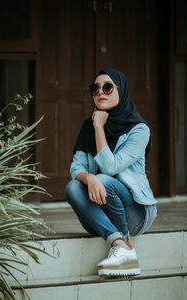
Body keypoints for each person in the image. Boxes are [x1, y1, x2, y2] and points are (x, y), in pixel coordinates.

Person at [65, 69, 157, 278]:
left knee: (104, 179)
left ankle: (122, 246)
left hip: (137, 213)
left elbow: (110, 168)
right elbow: (76, 168)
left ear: (121, 90)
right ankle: (120, 245)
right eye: (95, 88)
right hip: (99, 214)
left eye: (107, 87)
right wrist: (88, 177)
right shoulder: (87, 126)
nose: (100, 92)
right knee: (72, 186)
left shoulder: (139, 129)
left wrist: (98, 126)